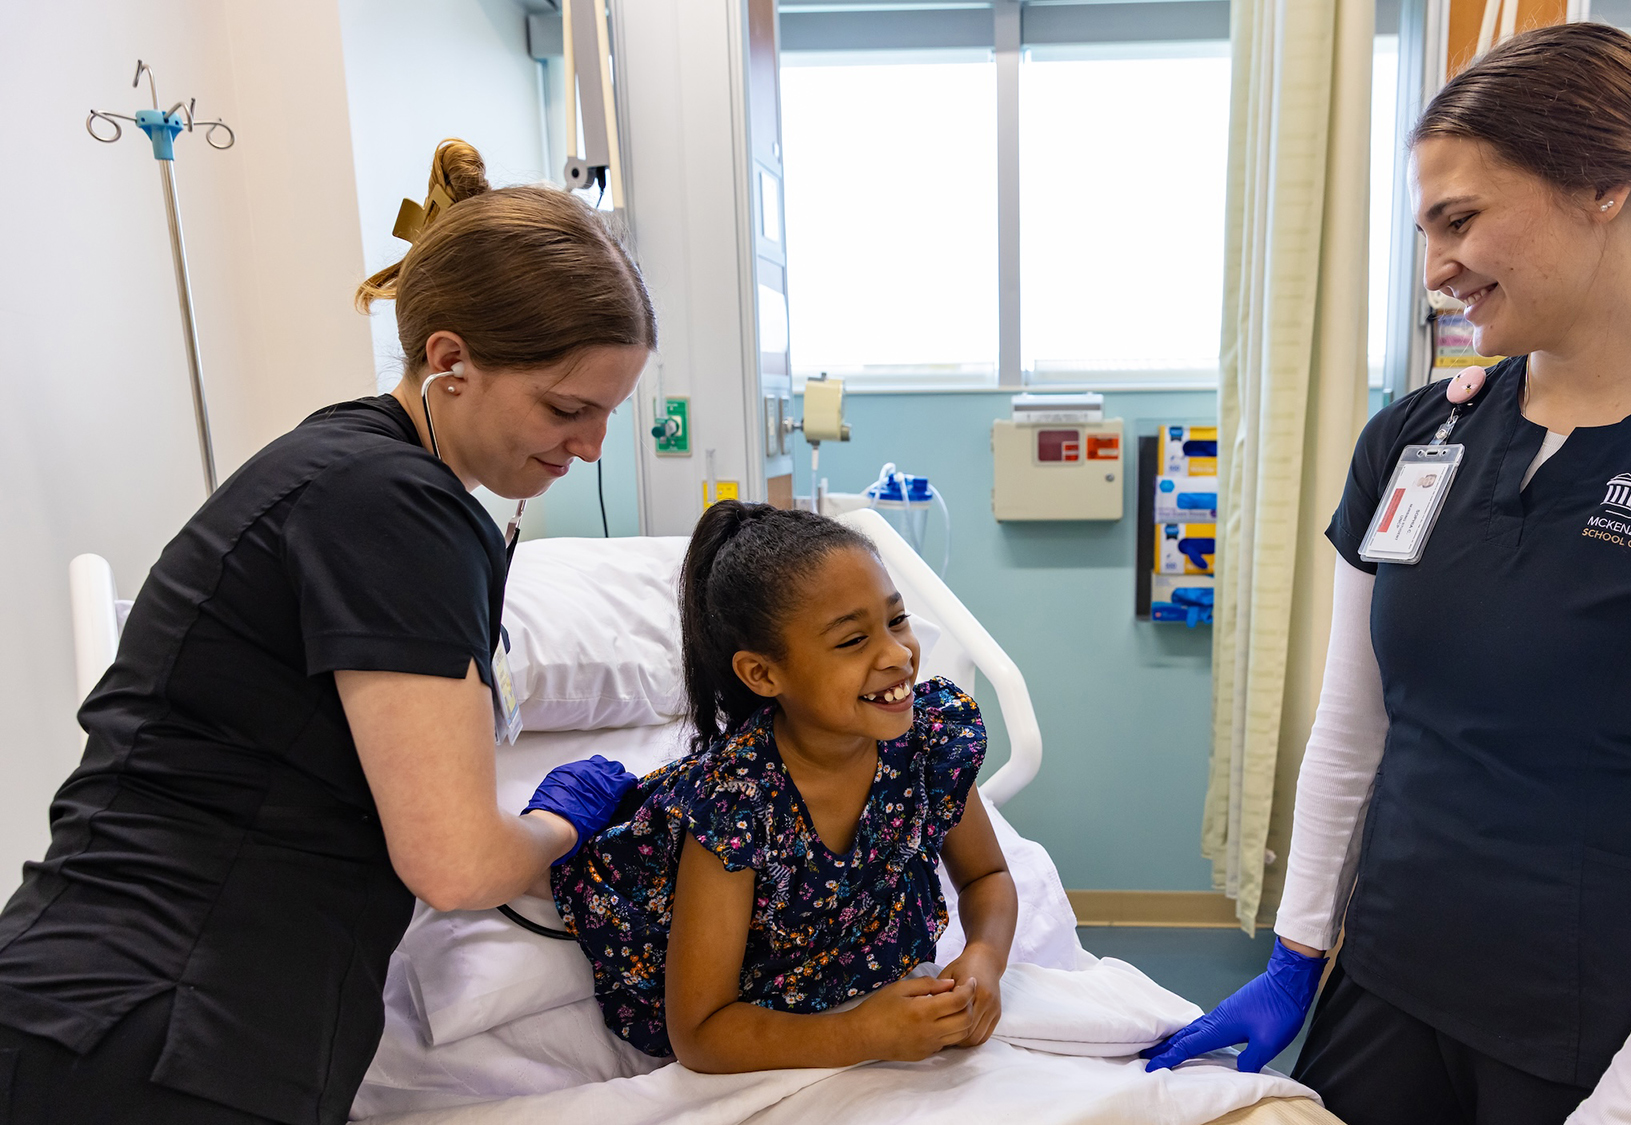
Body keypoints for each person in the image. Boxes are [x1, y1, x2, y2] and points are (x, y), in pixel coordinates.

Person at [1146, 24, 1631, 1125]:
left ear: (1601, 186)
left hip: (1599, 1042)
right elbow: (1353, 727)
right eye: (1425, 228)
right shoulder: (1412, 440)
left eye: (1461, 219)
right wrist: (1298, 958)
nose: (1436, 265)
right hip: (1382, 994)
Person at [0, 140, 651, 1125]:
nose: (590, 445)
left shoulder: (342, 467)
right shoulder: (396, 506)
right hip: (156, 1033)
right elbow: (458, 862)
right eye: (567, 407)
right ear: (448, 361)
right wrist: (571, 815)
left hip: (117, 1015)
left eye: (608, 413)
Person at [552, 501, 1019, 1073]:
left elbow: (986, 876)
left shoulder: (923, 741)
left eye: (896, 621)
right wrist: (861, 1035)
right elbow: (700, 1032)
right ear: (763, 674)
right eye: (852, 641)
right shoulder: (736, 809)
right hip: (669, 935)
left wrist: (985, 958)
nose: (898, 655)